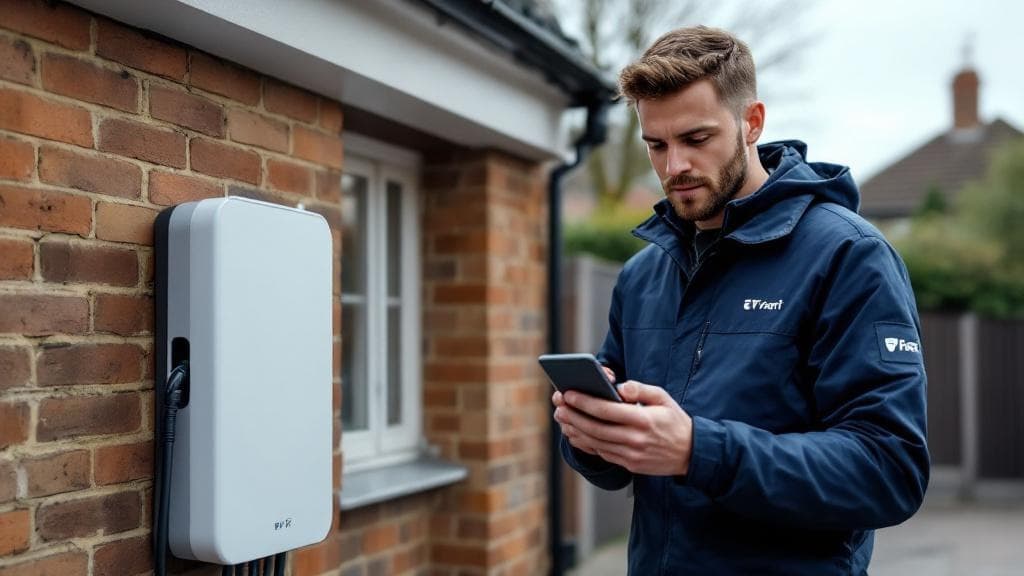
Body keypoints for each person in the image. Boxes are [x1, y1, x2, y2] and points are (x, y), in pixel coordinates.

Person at [552, 26, 929, 575]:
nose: (673, 165)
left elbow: (889, 469)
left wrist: (697, 450)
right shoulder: (642, 276)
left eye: (696, 139)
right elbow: (619, 466)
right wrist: (589, 436)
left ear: (751, 122)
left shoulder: (849, 257)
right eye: (655, 145)